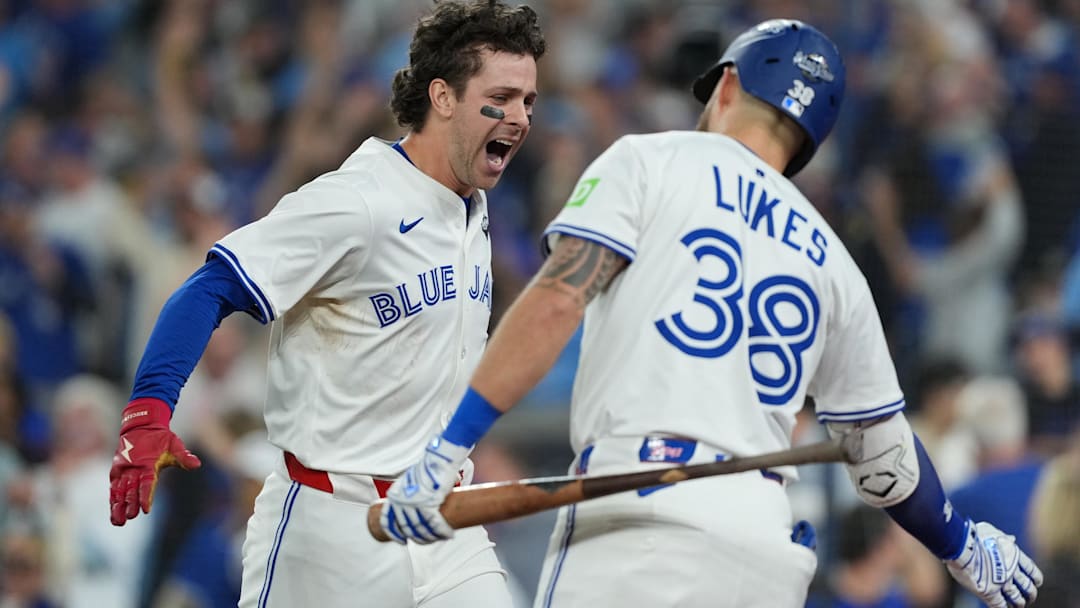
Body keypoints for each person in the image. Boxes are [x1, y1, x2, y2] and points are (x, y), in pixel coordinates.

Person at [378, 19, 1044, 607]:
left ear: (727, 85)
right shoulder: (837, 264)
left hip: (637, 527)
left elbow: (557, 300)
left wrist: (448, 449)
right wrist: (961, 544)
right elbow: (882, 453)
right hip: (766, 548)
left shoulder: (653, 160)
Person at [106, 2, 546, 607]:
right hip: (330, 527)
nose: (521, 117)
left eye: (529, 100)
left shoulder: (472, 202)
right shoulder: (356, 202)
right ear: (442, 97)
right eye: (504, 96)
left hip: (442, 520)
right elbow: (208, 287)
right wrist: (148, 412)